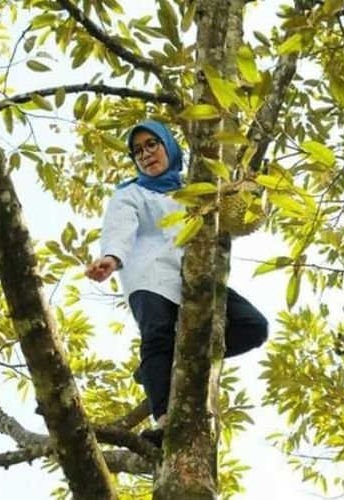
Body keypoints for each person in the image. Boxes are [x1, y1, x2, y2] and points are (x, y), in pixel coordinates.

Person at [86, 120, 268, 446]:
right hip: (149, 275)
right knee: (156, 334)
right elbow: (120, 228)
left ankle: (164, 365)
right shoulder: (131, 193)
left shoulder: (197, 188)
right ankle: (164, 418)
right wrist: (110, 259)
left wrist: (252, 186)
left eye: (151, 144)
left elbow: (232, 217)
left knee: (253, 326)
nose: (145, 155)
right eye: (137, 151)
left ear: (168, 145)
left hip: (194, 278)